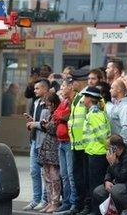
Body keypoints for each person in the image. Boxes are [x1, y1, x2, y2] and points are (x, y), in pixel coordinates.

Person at [80, 86, 111, 215]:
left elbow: (103, 136)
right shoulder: (94, 113)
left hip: (97, 154)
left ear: (89, 99)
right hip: (92, 152)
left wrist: (108, 148)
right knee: (92, 184)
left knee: (96, 185)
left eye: (84, 97)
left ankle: (97, 211)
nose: (82, 100)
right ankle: (94, 210)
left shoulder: (95, 114)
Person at [24, 79, 51, 211]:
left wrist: (34, 124)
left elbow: (46, 125)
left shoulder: (49, 103)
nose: (35, 91)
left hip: (44, 143)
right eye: (34, 89)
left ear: (45, 89)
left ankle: (45, 200)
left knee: (44, 173)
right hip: (34, 141)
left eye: (37, 88)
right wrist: (32, 121)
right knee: (34, 171)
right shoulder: (35, 102)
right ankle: (35, 199)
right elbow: (38, 122)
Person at [67, 69, 91, 214]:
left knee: (85, 178)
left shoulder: (89, 96)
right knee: (77, 178)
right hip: (76, 144)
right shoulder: (77, 97)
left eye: (73, 82)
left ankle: (86, 205)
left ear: (80, 81)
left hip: (86, 145)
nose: (71, 85)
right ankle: (80, 204)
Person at [53, 78, 78, 214]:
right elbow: (56, 115)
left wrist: (61, 115)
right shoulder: (64, 101)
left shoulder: (74, 101)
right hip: (61, 141)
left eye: (63, 86)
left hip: (69, 142)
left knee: (70, 174)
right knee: (64, 175)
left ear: (70, 87)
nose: (61, 89)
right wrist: (60, 115)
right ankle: (67, 202)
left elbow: (66, 116)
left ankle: (74, 203)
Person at [40, 93, 63, 213]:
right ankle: (49, 201)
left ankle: (55, 202)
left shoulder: (57, 113)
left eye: (48, 104)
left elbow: (53, 129)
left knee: (55, 178)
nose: (47, 107)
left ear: (53, 103)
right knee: (47, 177)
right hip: (47, 150)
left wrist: (44, 125)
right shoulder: (51, 115)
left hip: (54, 150)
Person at [106, 79, 127, 143]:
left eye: (112, 88)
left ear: (119, 90)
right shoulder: (117, 104)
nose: (109, 90)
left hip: (119, 145)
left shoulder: (125, 106)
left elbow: (126, 127)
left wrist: (121, 145)